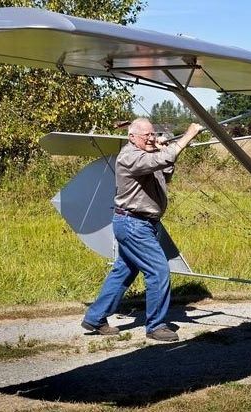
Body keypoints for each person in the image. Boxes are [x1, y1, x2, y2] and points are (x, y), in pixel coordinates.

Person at [81, 118, 204, 341]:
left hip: (140, 223)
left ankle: (95, 317)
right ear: (131, 137)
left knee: (124, 271)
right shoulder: (129, 156)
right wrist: (187, 136)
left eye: (152, 134)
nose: (150, 138)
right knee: (158, 271)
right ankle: (156, 326)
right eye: (145, 135)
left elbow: (165, 172)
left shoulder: (146, 156)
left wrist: (163, 150)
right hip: (133, 224)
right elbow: (160, 160)